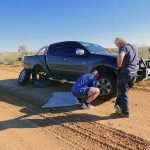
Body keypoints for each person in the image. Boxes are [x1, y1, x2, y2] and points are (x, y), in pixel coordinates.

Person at [114, 37, 138, 117]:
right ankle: (118, 106)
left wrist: (118, 67)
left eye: (117, 45)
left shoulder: (123, 47)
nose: (118, 47)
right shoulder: (134, 47)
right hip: (134, 73)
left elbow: (121, 56)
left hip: (126, 73)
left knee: (123, 92)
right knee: (123, 90)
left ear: (120, 43)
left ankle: (125, 112)